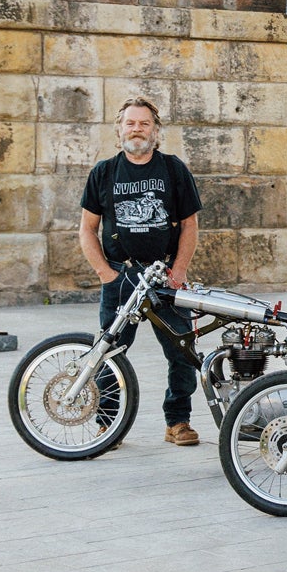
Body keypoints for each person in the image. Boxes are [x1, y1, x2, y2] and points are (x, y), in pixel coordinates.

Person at [78, 94, 205, 446]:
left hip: (165, 276)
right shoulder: (103, 173)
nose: (137, 129)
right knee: (109, 351)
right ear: (119, 129)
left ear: (156, 130)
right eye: (130, 123)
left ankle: (177, 421)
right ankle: (108, 424)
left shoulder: (173, 169)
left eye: (144, 123)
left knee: (182, 351)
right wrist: (106, 273)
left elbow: (189, 224)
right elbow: (87, 229)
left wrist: (178, 270)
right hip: (122, 278)